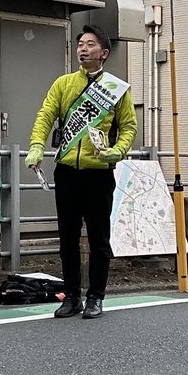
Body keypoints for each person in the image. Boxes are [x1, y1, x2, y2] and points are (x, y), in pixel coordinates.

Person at [26, 25, 137, 320]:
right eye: (80, 44)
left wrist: (118, 150)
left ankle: (96, 297)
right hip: (67, 172)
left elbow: (129, 127)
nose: (83, 49)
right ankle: (72, 296)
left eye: (90, 44)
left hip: (99, 173)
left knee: (99, 239)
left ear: (104, 53)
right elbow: (45, 115)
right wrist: (36, 145)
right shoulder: (63, 84)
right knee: (68, 238)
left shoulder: (116, 89)